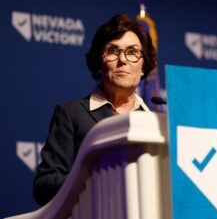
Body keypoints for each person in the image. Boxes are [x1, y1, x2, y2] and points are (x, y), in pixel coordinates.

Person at [33, 14, 157, 206]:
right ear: (99, 64)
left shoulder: (156, 123)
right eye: (113, 51)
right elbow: (44, 186)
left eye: (132, 52)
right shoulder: (71, 114)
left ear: (143, 66)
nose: (123, 60)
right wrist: (95, 182)